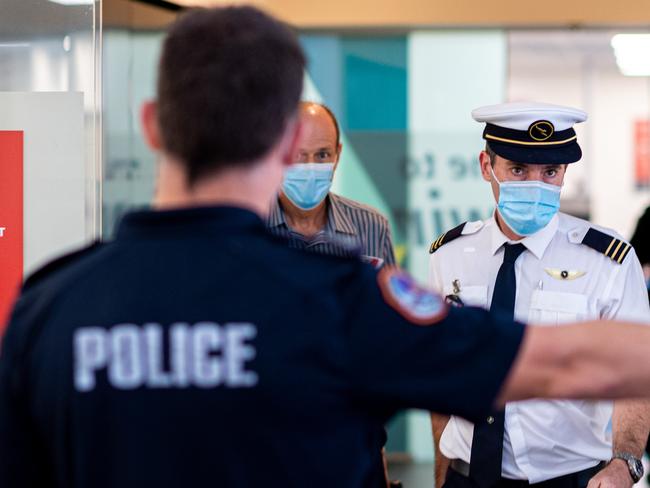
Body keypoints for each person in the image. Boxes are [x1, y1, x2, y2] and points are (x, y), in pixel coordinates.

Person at [4, 8, 650, 488]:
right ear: (288, 142)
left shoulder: (49, 307)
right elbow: (564, 364)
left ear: (150, 124)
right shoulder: (337, 301)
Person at [428, 102, 650, 488]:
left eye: (550, 172)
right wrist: (440, 473)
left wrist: (625, 462)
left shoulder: (607, 261)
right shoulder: (449, 256)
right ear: (486, 166)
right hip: (466, 477)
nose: (536, 185)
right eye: (518, 170)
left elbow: (635, 375)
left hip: (571, 480)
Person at [268, 101, 395, 268]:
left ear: (338, 155)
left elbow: (389, 292)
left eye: (322, 154)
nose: (310, 168)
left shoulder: (372, 226)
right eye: (299, 155)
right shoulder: (250, 227)